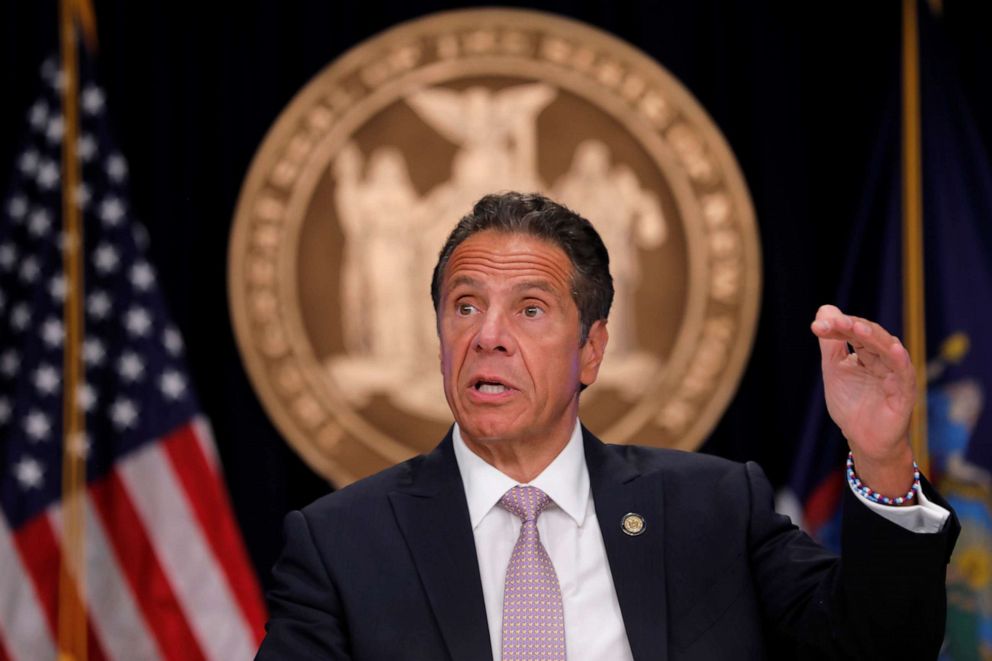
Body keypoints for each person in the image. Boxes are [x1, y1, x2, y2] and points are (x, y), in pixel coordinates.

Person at [256, 192, 959, 660]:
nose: (487, 335)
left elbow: (880, 646)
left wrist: (881, 455)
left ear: (591, 348)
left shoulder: (713, 509)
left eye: (530, 309)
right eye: (464, 306)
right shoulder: (340, 545)